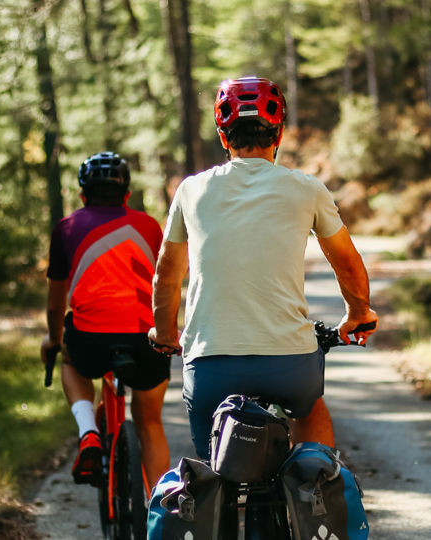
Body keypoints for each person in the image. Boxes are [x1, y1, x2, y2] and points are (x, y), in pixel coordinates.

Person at [148, 76, 378, 459]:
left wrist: (166, 331)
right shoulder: (307, 188)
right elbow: (347, 263)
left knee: (212, 468)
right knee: (309, 411)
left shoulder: (190, 190)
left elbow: (167, 276)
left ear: (223, 137)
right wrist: (358, 313)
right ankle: (315, 491)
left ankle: (215, 508)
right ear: (279, 134)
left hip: (210, 364)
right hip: (289, 364)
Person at [41, 151, 171, 489]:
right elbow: (165, 286)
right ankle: (162, 510)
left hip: (89, 340)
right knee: (151, 423)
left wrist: (54, 339)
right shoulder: (149, 226)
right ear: (126, 194)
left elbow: (56, 303)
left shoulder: (66, 228)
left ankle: (88, 432)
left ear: (83, 195)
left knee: (69, 357)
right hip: (147, 338)